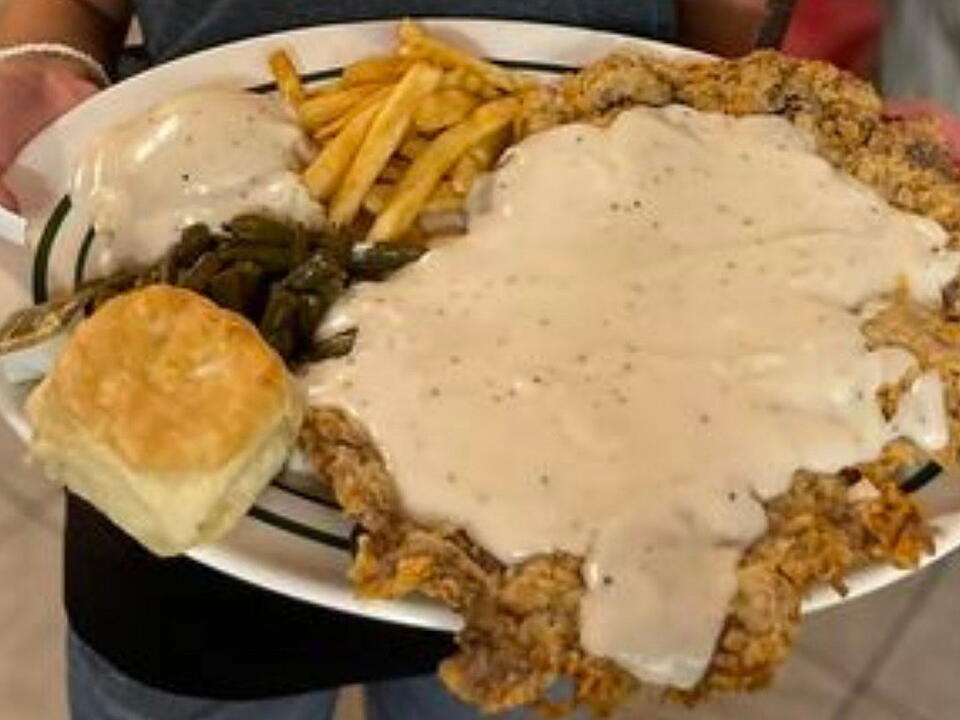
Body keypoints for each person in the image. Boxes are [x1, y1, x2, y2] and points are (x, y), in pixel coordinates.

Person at [0, 2, 797, 719]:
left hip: (570, 505)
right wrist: (33, 61)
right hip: (178, 462)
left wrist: (807, 152)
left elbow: (720, 37)